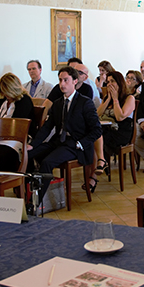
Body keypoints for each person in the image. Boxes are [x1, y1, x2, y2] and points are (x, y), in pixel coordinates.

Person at [27, 66, 102, 198]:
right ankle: (29, 193)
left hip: (76, 145)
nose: (62, 84)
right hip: (59, 141)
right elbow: (47, 127)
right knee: (29, 154)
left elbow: (97, 130)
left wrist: (80, 143)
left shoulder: (85, 103)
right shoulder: (58, 103)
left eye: (66, 80)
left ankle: (36, 201)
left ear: (75, 81)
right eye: (60, 80)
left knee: (47, 162)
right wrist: (33, 144)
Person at [89, 70, 136, 190]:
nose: (109, 84)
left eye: (113, 81)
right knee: (91, 137)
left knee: (95, 137)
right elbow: (96, 115)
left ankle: (95, 172)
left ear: (120, 83)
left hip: (121, 132)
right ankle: (96, 170)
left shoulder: (129, 98)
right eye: (108, 81)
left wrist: (115, 100)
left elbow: (120, 117)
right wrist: (108, 99)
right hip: (107, 131)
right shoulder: (108, 98)